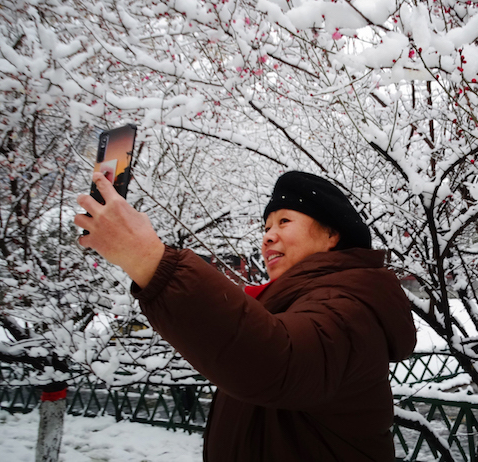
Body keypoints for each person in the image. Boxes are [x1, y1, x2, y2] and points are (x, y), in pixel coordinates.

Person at [75, 169, 416, 461]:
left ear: (331, 235)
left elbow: (278, 361)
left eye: (285, 221)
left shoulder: (350, 307)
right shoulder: (296, 302)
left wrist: (148, 259)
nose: (268, 236)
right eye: (266, 226)